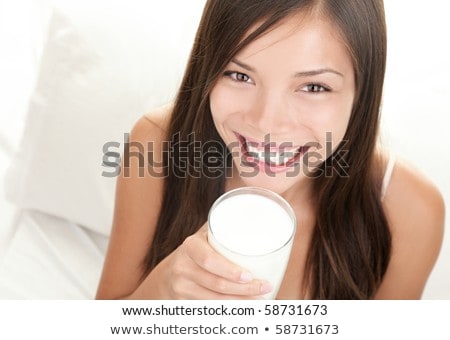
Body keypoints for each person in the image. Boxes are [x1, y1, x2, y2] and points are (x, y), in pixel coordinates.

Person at [96, 0, 445, 300]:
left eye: (313, 86)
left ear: (362, 93)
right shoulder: (158, 146)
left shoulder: (408, 210)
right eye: (239, 75)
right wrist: (163, 288)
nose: (266, 124)